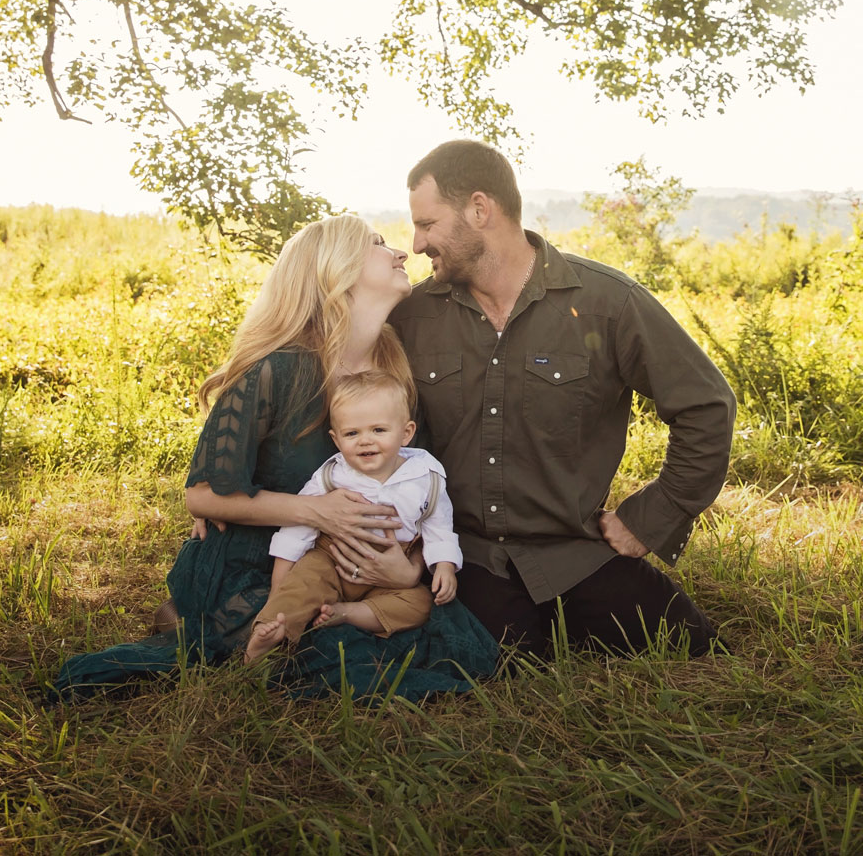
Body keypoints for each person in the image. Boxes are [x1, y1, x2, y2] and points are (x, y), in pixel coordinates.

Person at [50, 215, 498, 700]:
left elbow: (416, 484)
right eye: (377, 243)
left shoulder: (394, 371)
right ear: (336, 270)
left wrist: (408, 570)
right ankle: (210, 624)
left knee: (444, 638)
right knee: (330, 648)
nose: (400, 252)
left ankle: (202, 626)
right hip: (265, 560)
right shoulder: (278, 369)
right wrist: (314, 511)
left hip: (367, 570)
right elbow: (201, 494)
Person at [390, 139, 735, 658]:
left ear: (480, 209)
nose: (417, 245)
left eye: (427, 224)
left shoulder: (607, 303)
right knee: (499, 665)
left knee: (691, 646)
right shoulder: (413, 316)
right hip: (466, 558)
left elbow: (706, 406)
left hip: (578, 552)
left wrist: (650, 517)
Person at [242, 368, 462, 661]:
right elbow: (300, 525)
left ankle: (347, 614)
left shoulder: (427, 476)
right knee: (303, 585)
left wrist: (445, 565)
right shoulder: (332, 476)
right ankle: (269, 635)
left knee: (420, 603)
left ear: (406, 433)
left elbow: (438, 524)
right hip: (331, 558)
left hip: (388, 575)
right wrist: (281, 581)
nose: (365, 441)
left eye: (379, 430)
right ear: (336, 439)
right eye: (352, 433)